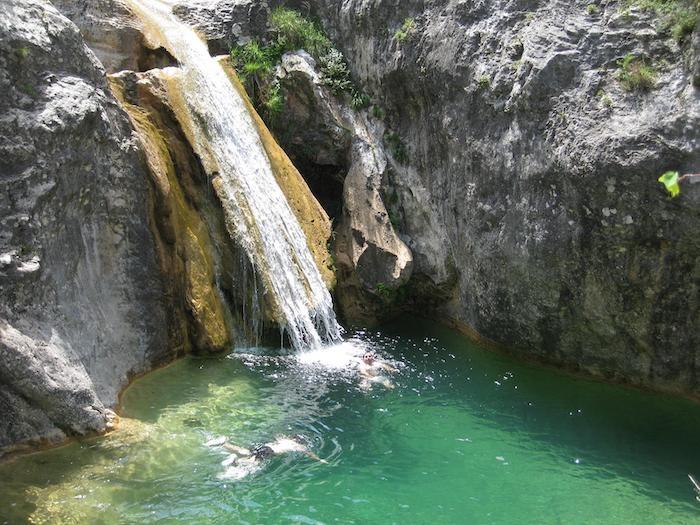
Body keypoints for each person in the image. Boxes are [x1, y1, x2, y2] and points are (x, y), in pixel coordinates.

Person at [205, 434, 326, 480]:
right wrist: (319, 459)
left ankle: (224, 444)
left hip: (262, 445)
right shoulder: (297, 446)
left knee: (245, 451)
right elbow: (309, 453)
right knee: (255, 463)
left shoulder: (282, 438)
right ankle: (234, 462)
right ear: (297, 441)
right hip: (269, 451)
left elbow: (276, 434)